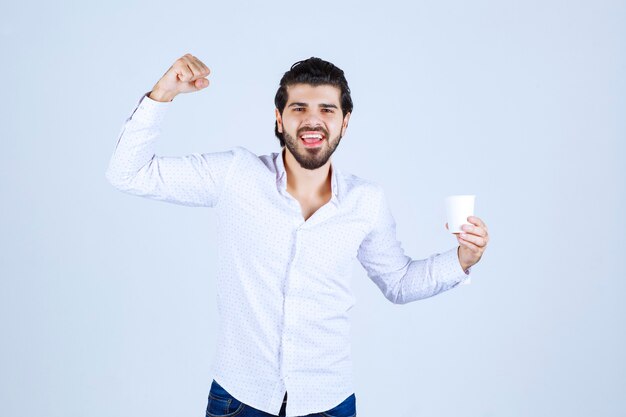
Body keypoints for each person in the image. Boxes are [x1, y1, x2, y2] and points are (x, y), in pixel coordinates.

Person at [105, 53, 490, 417]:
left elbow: (400, 282)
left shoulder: (366, 201)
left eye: (327, 109)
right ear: (278, 118)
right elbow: (128, 173)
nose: (313, 120)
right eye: (299, 108)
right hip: (238, 399)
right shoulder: (235, 175)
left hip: (328, 401)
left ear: (345, 121)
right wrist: (163, 94)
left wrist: (462, 260)